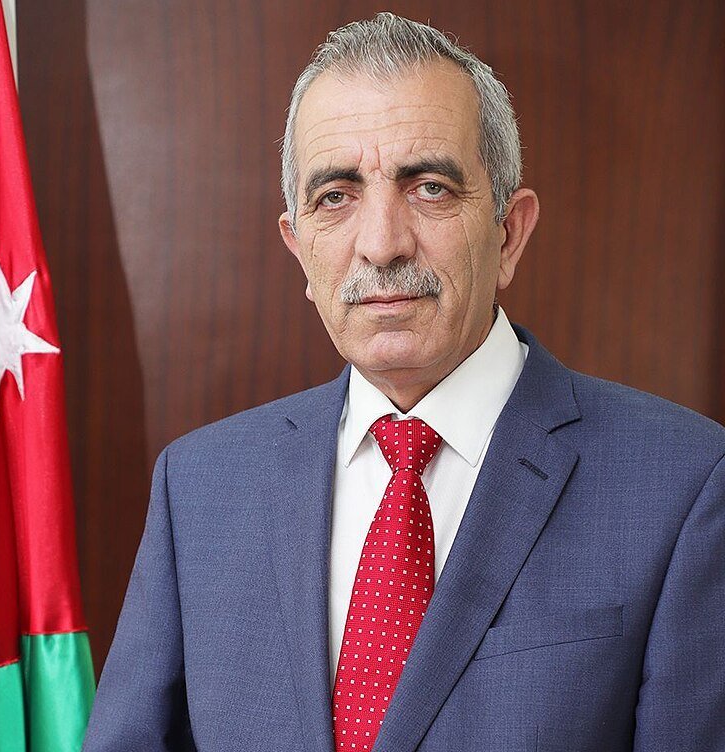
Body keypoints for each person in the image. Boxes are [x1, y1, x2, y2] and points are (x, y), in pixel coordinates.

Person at [83, 13, 725, 752]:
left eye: (429, 188)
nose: (382, 244)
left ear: (509, 232)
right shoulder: (199, 490)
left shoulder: (684, 485)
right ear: (299, 247)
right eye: (335, 196)